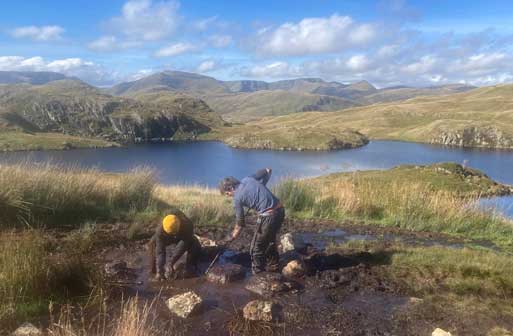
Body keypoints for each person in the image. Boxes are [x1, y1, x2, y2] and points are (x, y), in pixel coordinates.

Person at [219, 168, 285, 274]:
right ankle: (274, 267)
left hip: (269, 216)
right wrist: (263, 185)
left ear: (231, 188)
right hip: (280, 211)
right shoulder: (248, 179)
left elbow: (240, 223)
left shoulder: (237, 199)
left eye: (227, 193)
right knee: (270, 241)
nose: (229, 196)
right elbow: (268, 170)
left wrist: (231, 237)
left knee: (255, 249)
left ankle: (258, 276)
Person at [148, 210, 202, 280]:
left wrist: (170, 262)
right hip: (167, 237)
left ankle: (190, 267)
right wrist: (159, 270)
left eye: (174, 232)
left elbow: (182, 245)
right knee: (152, 243)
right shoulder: (160, 230)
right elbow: (160, 251)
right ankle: (155, 271)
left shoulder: (187, 224)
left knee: (195, 245)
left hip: (182, 237)